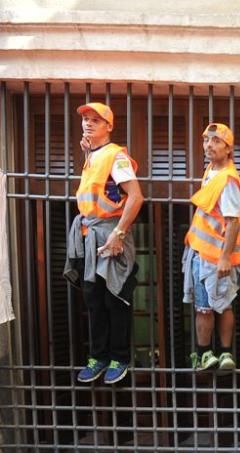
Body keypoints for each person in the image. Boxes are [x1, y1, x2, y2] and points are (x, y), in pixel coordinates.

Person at [64, 102, 145, 385]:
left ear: (109, 126)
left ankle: (119, 358)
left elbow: (135, 197)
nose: (88, 123)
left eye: (96, 120)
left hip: (110, 234)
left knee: (114, 299)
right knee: (94, 299)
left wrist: (118, 233)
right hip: (91, 235)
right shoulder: (93, 155)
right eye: (86, 119)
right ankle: (98, 356)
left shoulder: (115, 155)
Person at [182, 122, 240, 372]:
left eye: (216, 141)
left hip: (216, 257)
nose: (209, 145)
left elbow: (232, 222)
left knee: (215, 305)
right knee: (214, 304)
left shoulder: (228, 179)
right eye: (206, 140)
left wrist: (224, 258)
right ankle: (215, 354)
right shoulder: (211, 170)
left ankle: (213, 354)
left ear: (229, 148)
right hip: (204, 251)